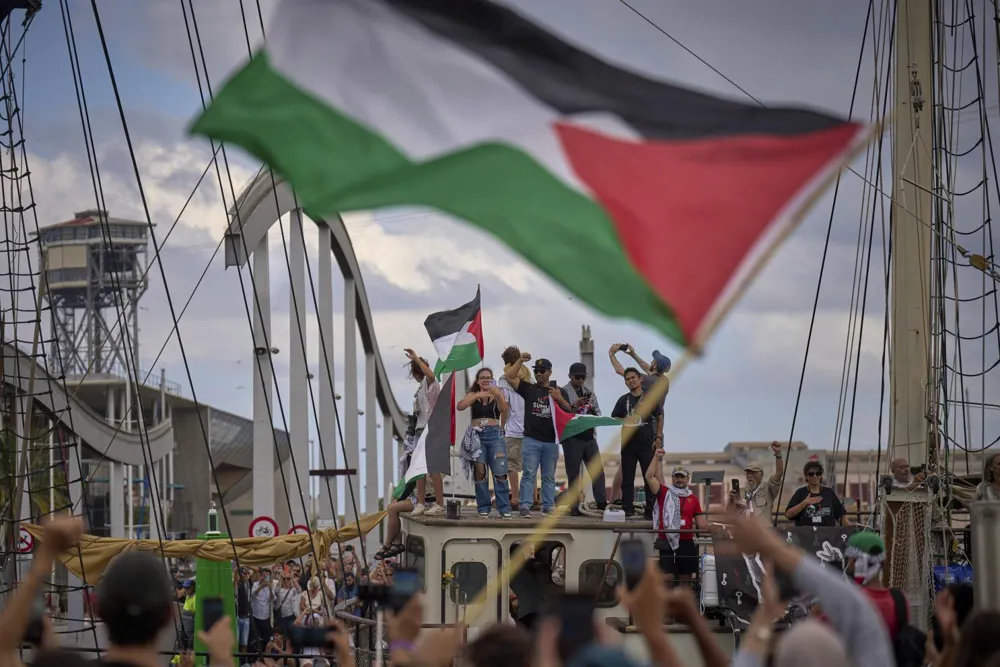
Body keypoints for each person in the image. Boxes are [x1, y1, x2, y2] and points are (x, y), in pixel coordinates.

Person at [504, 353, 573, 517]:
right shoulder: (529, 388)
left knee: (549, 476)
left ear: (550, 372)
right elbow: (509, 376)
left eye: (542, 371)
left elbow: (571, 411)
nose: (539, 374)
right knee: (529, 474)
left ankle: (548, 506)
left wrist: (559, 399)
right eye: (536, 371)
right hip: (531, 439)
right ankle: (525, 506)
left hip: (551, 440)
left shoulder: (559, 391)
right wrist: (520, 360)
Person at [608, 344, 671, 503]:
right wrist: (633, 355)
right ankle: (662, 503)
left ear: (655, 365)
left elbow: (623, 373)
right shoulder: (663, 380)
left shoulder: (645, 381)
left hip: (644, 427)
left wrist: (612, 355)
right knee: (657, 467)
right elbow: (647, 369)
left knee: (625, 468)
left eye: (653, 361)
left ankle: (615, 499)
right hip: (657, 429)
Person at [646, 451, 707, 585]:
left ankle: (682, 604)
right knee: (666, 578)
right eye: (677, 477)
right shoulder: (664, 493)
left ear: (688, 479)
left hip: (686, 541)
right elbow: (649, 477)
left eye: (682, 477)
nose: (680, 479)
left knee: (685, 578)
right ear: (672, 479)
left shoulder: (694, 499)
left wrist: (718, 528)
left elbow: (701, 523)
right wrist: (656, 457)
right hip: (667, 540)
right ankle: (666, 605)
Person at [458, 367, 511, 518]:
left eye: (488, 377)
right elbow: (460, 406)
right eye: (483, 378)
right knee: (480, 471)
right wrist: (476, 396)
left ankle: (504, 508)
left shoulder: (497, 393)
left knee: (500, 471)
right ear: (478, 380)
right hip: (477, 434)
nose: (486, 380)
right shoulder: (473, 394)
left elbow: (503, 409)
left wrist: (498, 395)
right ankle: (483, 506)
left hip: (494, 434)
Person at [610, 366, 664, 518]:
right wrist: (626, 420)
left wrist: (658, 437)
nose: (630, 381)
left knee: (649, 477)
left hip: (646, 443)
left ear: (640, 379)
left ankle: (650, 510)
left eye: (633, 378)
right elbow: (614, 418)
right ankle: (628, 509)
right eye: (627, 379)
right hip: (628, 444)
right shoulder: (623, 400)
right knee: (627, 478)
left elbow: (660, 416)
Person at [560, 362, 607, 514]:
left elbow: (598, 415)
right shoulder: (562, 392)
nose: (580, 380)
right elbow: (562, 415)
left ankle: (601, 504)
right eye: (577, 377)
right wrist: (575, 405)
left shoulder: (589, 393)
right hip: (572, 438)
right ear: (570, 376)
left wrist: (590, 409)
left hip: (589, 437)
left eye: (583, 377)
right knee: (574, 474)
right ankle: (573, 507)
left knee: (597, 471)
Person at [404, 348, 445, 516]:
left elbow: (431, 375)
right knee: (419, 469)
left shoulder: (432, 384)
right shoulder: (420, 388)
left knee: (433, 468)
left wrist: (416, 359)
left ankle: (439, 503)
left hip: (432, 429)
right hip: (421, 430)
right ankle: (420, 503)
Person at [498, 345, 528, 507]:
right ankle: (529, 498)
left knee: (512, 466)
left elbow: (505, 407)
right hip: (530, 429)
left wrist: (501, 427)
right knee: (529, 467)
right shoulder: (528, 377)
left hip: (513, 429)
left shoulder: (504, 380)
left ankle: (515, 498)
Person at [729, 441, 785, 527]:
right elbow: (729, 513)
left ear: (761, 474)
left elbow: (779, 473)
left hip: (764, 533)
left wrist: (778, 453)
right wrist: (731, 500)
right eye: (748, 473)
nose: (750, 476)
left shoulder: (768, 489)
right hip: (745, 533)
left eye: (754, 473)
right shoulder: (740, 492)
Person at [785, 460, 849, 526]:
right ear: (806, 476)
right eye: (811, 474)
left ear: (821, 475)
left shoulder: (829, 492)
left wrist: (853, 530)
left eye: (818, 473)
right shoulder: (800, 493)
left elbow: (841, 516)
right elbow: (788, 515)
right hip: (805, 534)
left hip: (828, 534)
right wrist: (804, 503)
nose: (815, 476)